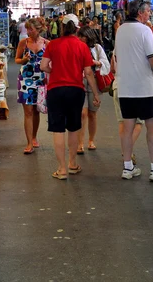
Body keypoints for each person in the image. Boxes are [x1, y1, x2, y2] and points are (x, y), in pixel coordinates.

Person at [114, 0, 153, 181]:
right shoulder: (144, 30)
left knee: (127, 127)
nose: (149, 14)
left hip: (125, 88)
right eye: (148, 11)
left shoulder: (121, 30)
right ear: (140, 12)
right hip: (144, 88)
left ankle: (127, 167)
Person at [40, 13, 101, 180]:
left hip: (56, 90)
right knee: (74, 128)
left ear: (62, 27)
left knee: (58, 129)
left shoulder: (52, 44)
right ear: (77, 28)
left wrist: (55, 71)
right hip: (76, 90)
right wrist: (95, 94)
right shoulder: (82, 46)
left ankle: (61, 169)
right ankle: (72, 164)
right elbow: (88, 73)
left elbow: (43, 66)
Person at [15, 18, 49, 154]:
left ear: (39, 29)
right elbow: (17, 59)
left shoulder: (47, 44)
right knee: (28, 111)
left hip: (41, 80)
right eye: (27, 29)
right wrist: (23, 60)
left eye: (31, 29)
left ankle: (34, 137)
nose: (28, 32)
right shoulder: (23, 43)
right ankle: (29, 142)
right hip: (25, 79)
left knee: (36, 110)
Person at [77, 26, 110, 153]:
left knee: (92, 113)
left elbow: (105, 63)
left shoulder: (97, 48)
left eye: (82, 36)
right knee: (82, 113)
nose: (80, 39)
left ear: (88, 37)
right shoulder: (77, 47)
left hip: (94, 82)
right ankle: (80, 143)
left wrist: (95, 62)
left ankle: (91, 140)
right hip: (79, 81)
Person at [110, 52, 143, 164]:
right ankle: (127, 150)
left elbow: (112, 69)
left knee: (122, 122)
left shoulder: (116, 48)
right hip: (134, 88)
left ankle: (127, 152)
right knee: (138, 122)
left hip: (117, 86)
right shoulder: (137, 46)